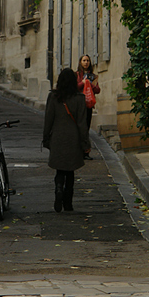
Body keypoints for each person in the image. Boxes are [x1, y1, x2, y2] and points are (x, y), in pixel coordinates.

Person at [42, 68, 91, 213]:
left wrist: (46, 138)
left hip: (57, 137)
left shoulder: (53, 97)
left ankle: (58, 189)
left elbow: (48, 120)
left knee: (60, 170)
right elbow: (82, 124)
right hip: (73, 139)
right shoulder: (79, 98)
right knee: (70, 172)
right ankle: (68, 203)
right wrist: (85, 143)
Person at [76, 54, 100, 159]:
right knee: (79, 128)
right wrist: (82, 83)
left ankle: (86, 152)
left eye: (88, 61)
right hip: (79, 105)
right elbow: (75, 87)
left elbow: (98, 90)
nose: (86, 62)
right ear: (80, 62)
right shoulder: (77, 75)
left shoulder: (93, 76)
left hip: (88, 105)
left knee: (86, 128)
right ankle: (78, 150)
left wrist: (91, 84)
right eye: (84, 60)